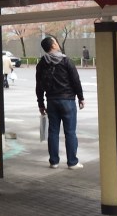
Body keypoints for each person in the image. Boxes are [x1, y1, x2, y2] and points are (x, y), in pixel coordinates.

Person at [36, 37, 86, 169]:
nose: (58, 44)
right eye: (56, 42)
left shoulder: (42, 63)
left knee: (53, 132)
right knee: (70, 132)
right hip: (67, 100)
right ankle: (72, 162)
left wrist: (41, 103)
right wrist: (81, 97)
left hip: (51, 101)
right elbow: (76, 80)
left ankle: (54, 162)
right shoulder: (66, 61)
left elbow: (39, 85)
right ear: (53, 45)